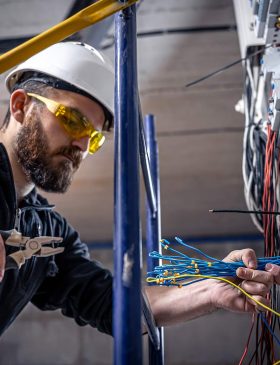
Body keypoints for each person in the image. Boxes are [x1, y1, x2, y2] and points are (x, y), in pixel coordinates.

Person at [0, 41, 279, 338]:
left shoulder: (48, 232)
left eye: (94, 138)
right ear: (20, 106)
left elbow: (112, 306)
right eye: (73, 120)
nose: (82, 145)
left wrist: (211, 288)